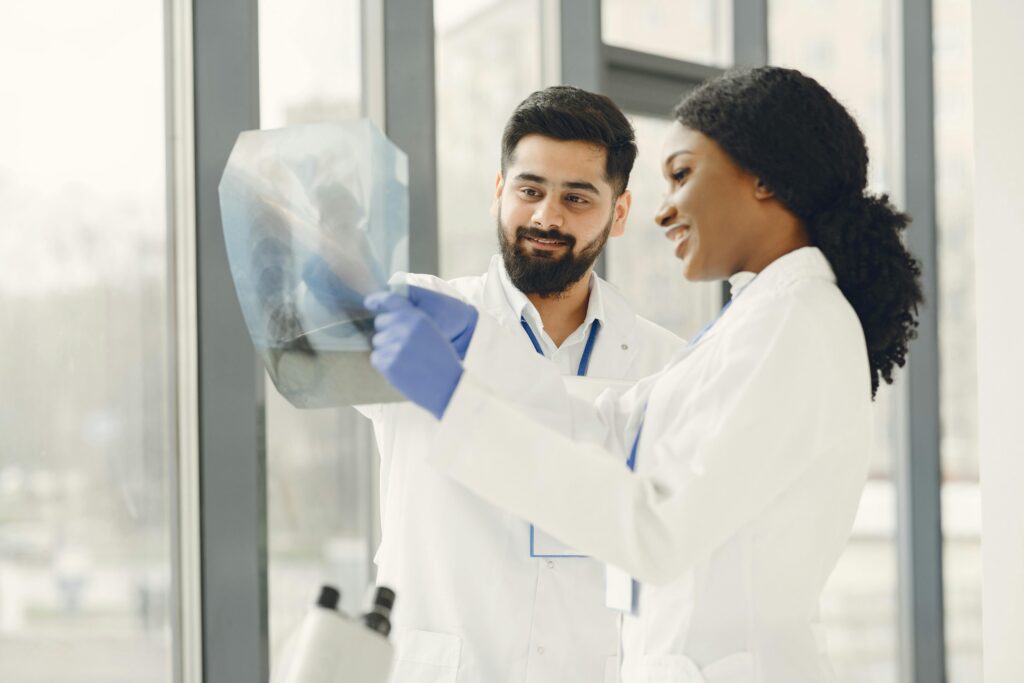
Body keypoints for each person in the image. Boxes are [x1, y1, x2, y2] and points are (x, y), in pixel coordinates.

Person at [366, 67, 923, 682]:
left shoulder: (793, 324)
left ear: (764, 178)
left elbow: (654, 529)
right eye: (529, 190)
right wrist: (478, 351)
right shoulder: (762, 317)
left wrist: (457, 398)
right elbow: (611, 427)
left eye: (682, 175)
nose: (666, 211)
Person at [334, 87, 682, 682]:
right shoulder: (420, 316)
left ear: (619, 213)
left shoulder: (662, 362)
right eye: (530, 190)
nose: (547, 216)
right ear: (500, 192)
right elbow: (305, 328)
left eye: (577, 198)